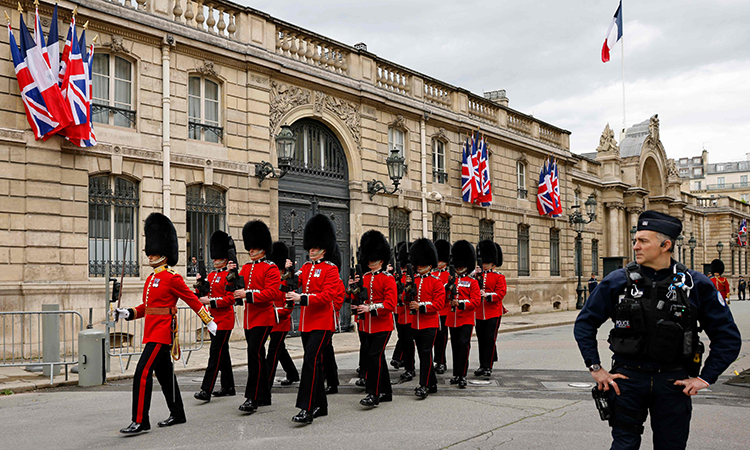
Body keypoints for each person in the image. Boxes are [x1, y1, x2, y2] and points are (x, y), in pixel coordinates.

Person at [574, 210, 741, 450]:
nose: (635, 246)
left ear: (666, 245)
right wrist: (596, 368)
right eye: (635, 240)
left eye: (643, 241)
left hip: (673, 381)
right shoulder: (617, 281)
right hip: (627, 380)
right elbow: (585, 323)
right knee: (624, 446)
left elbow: (727, 337)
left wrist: (705, 377)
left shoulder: (695, 285)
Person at [113, 213, 218, 434]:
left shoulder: (173, 277)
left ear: (163, 253)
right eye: (149, 252)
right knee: (164, 375)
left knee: (142, 372)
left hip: (162, 333)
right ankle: (177, 413)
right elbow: (147, 307)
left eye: (153, 252)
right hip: (152, 331)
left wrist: (208, 321)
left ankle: (141, 420)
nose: (150, 255)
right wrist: (127, 313)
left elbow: (191, 299)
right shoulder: (151, 278)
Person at [285, 214, 345, 425]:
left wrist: (302, 298)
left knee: (310, 362)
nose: (310, 250)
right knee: (315, 363)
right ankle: (321, 405)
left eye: (315, 247)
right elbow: (292, 282)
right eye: (309, 247)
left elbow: (327, 296)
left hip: (323, 323)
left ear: (323, 248)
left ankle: (307, 408)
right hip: (307, 322)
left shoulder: (331, 269)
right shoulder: (307, 268)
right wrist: (288, 271)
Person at [233, 220, 280, 413]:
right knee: (259, 355)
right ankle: (264, 395)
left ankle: (252, 397)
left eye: (254, 248)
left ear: (263, 249)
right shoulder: (246, 268)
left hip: (264, 317)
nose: (250, 251)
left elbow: (272, 294)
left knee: (253, 354)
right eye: (250, 248)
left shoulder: (271, 268)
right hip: (249, 318)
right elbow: (237, 287)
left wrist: (249, 294)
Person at [349, 230, 397, 407]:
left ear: (381, 260)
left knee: (373, 357)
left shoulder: (388, 279)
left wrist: (370, 308)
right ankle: (386, 392)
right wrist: (356, 305)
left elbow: (390, 304)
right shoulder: (365, 277)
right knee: (377, 357)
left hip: (382, 325)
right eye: (369, 258)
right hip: (367, 325)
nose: (370, 262)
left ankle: (373, 393)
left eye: (373, 259)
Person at [193, 231, 236, 402]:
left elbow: (230, 299)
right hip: (213, 321)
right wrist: (199, 283)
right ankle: (229, 386)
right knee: (223, 354)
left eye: (218, 259)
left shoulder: (229, 276)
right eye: (214, 259)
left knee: (215, 355)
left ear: (225, 259)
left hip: (224, 321)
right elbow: (201, 294)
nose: (215, 261)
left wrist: (211, 302)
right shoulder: (211, 275)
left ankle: (206, 389)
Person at [406, 238, 445, 399]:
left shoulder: (436, 281)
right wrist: (407, 288)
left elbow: (439, 303)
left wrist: (421, 306)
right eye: (418, 264)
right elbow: (404, 299)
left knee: (425, 352)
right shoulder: (414, 279)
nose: (419, 267)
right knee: (423, 354)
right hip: (416, 323)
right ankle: (433, 383)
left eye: (422, 264)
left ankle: (424, 385)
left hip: (430, 322)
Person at [445, 240, 480, 388]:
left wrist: (461, 304)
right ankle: (456, 374)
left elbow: (476, 301)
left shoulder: (472, 282)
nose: (459, 268)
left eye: (461, 266)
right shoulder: (450, 280)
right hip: (453, 319)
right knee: (455, 346)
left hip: (466, 318)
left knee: (463, 345)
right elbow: (443, 297)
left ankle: (463, 375)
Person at [266, 241, 300, 389]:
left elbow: (289, 306)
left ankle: (265, 383)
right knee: (281, 350)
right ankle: (292, 373)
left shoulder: (287, 281)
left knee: (273, 352)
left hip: (282, 321)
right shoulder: (272, 279)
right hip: (271, 320)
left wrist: (275, 313)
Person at [474, 240, 506, 377]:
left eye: (486, 262)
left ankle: (488, 366)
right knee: (481, 339)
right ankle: (482, 365)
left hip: (493, 312)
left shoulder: (499, 277)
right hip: (479, 313)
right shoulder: (476, 276)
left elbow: (501, 293)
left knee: (489, 338)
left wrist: (487, 295)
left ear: (492, 263)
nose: (484, 264)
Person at [390, 242, 416, 382]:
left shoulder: (414, 274)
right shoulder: (396, 273)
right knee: (403, 339)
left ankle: (410, 368)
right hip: (400, 312)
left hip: (411, 312)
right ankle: (406, 363)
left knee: (408, 340)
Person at [432, 239, 452, 375]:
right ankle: (437, 361)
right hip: (433, 311)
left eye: (441, 260)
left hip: (444, 310)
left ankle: (441, 362)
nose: (439, 263)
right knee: (434, 338)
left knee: (442, 338)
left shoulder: (449, 275)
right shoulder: (433, 275)